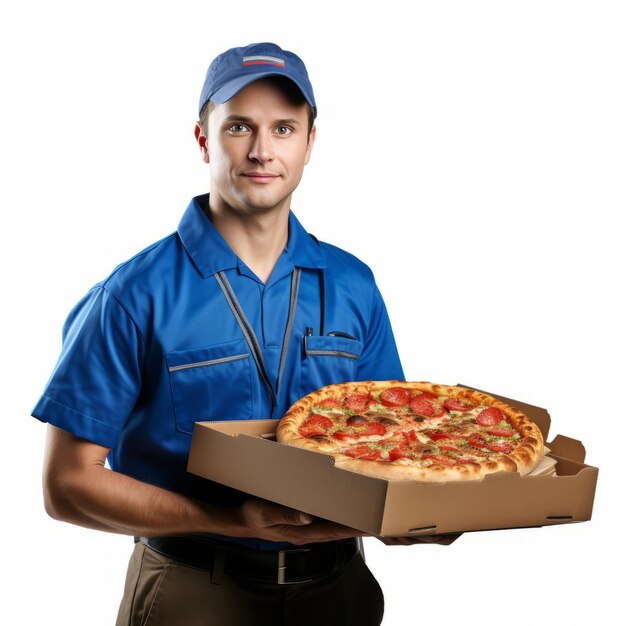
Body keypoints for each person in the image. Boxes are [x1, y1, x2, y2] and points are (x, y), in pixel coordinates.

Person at [32, 42, 452, 626]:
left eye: (283, 128)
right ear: (203, 139)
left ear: (310, 142)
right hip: (194, 591)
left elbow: (390, 451)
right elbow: (66, 485)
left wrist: (418, 516)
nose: (262, 150)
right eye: (238, 126)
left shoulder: (355, 284)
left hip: (337, 592)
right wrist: (227, 519)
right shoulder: (133, 294)